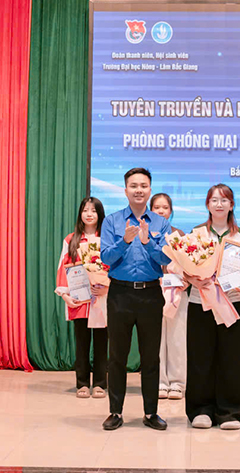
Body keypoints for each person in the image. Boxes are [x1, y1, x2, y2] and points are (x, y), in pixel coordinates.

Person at [100, 168, 172, 431]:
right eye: (133, 185)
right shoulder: (112, 221)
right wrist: (125, 242)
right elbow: (106, 257)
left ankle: (151, 412)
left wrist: (148, 242)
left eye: (143, 185)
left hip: (151, 294)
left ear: (150, 190)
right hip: (120, 294)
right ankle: (115, 412)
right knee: (117, 356)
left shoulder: (161, 223)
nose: (138, 190)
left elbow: (167, 258)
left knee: (150, 357)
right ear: (125, 190)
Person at [183, 184, 240, 430]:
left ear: (231, 205)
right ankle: (201, 410)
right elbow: (184, 270)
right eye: (214, 200)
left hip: (233, 304)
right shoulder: (196, 233)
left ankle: (230, 412)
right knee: (200, 357)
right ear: (207, 204)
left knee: (232, 359)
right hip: (201, 303)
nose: (219, 204)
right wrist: (193, 279)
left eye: (224, 200)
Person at [55, 197, 109, 399]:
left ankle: (100, 384)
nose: (89, 214)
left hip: (101, 298)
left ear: (99, 214)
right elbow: (63, 267)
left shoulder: (107, 238)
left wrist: (107, 286)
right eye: (85, 210)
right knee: (82, 343)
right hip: (79, 300)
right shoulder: (71, 239)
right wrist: (64, 295)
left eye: (93, 211)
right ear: (80, 214)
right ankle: (83, 384)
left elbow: (114, 266)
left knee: (102, 343)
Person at [150, 193, 187, 400]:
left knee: (177, 338)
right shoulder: (143, 234)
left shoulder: (179, 235)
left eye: (165, 207)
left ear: (171, 211)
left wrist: (187, 279)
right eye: (157, 207)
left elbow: (190, 264)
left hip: (177, 293)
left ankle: (177, 383)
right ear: (150, 210)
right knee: (155, 339)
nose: (161, 211)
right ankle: (159, 382)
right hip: (152, 292)